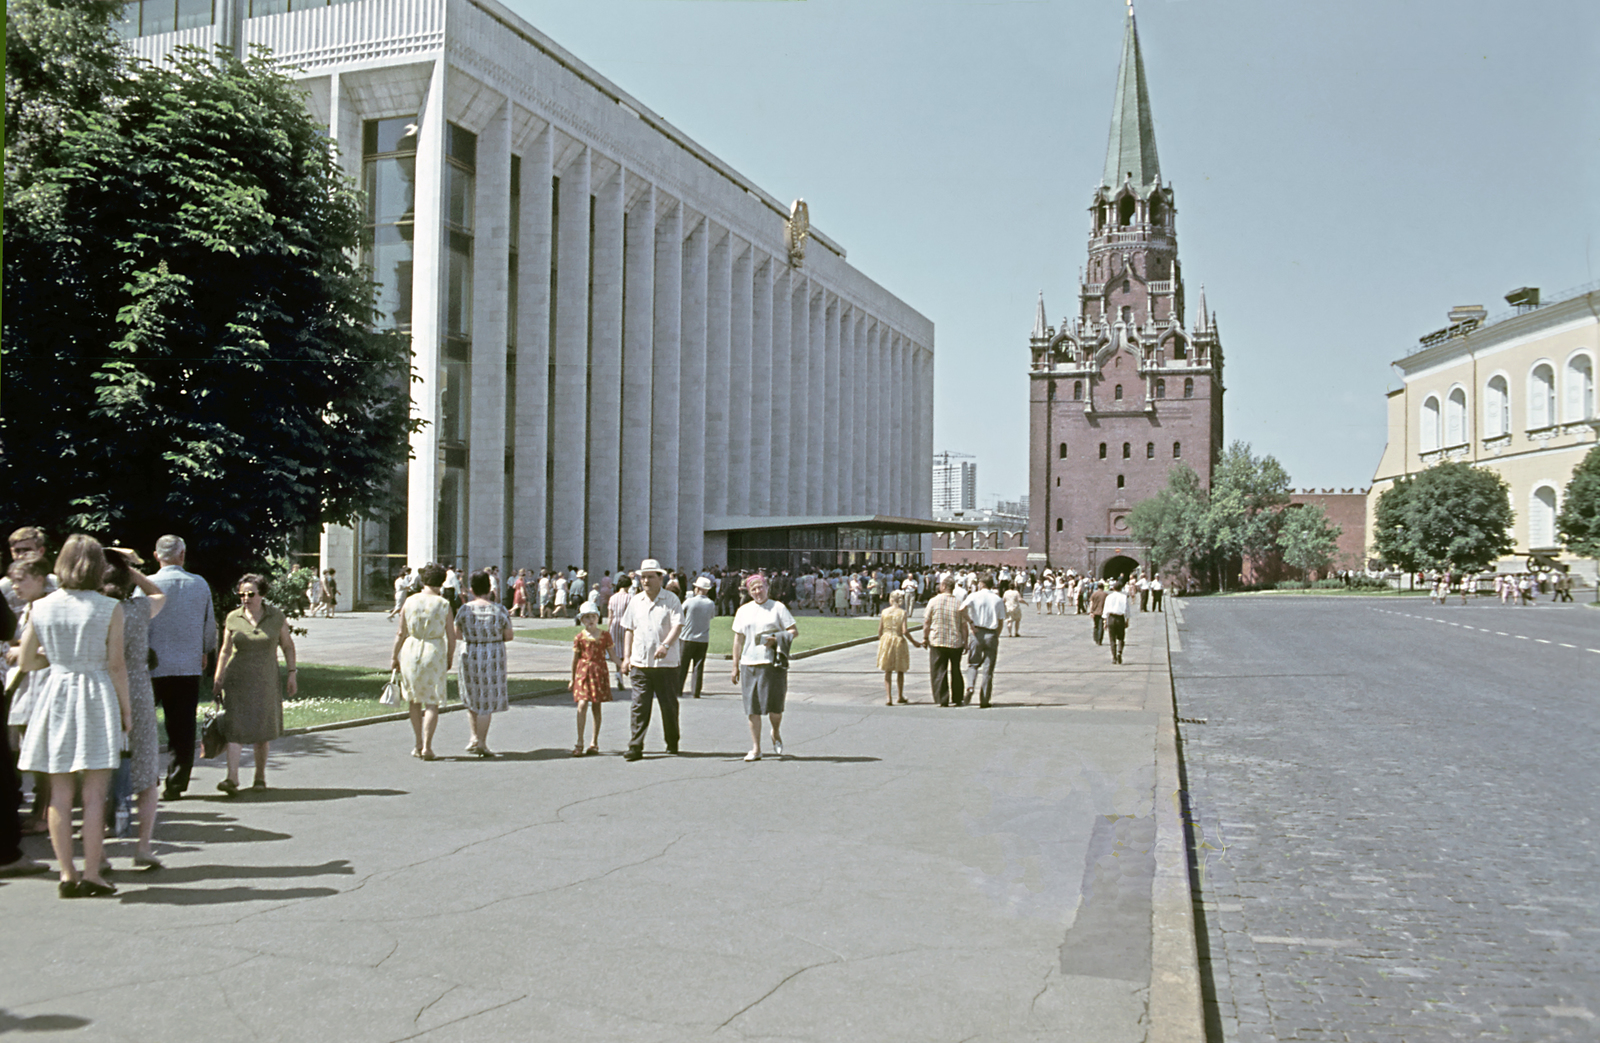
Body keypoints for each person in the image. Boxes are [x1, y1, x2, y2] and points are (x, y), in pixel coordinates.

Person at [16, 534, 132, 897]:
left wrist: (56, 660)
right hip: (96, 693)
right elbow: (116, 666)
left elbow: (26, 660)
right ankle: (93, 873)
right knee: (95, 795)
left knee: (59, 793)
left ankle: (66, 875)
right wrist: (127, 711)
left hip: (57, 693)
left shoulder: (42, 606)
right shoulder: (108, 607)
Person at [100, 549, 168, 867]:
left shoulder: (96, 611)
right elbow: (158, 593)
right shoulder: (138, 609)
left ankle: (97, 851)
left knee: (98, 772)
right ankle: (143, 847)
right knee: (146, 770)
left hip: (100, 690)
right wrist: (129, 568)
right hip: (138, 690)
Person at [146, 535, 217, 800]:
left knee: (144, 723)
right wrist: (204, 649)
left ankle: (145, 777)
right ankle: (176, 783)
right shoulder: (199, 585)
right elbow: (209, 625)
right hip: (187, 665)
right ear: (183, 554)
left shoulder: (146, 585)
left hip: (151, 665)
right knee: (182, 727)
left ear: (156, 556)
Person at [213, 574, 296, 793]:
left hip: (265, 679)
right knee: (234, 727)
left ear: (262, 594)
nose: (245, 598)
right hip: (237, 679)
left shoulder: (276, 616)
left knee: (262, 728)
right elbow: (225, 650)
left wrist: (292, 673)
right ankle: (232, 778)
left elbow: (287, 645)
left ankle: (259, 776)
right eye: (241, 594)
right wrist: (218, 677)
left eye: (250, 594)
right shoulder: (233, 618)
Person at [4, 558, 54, 873]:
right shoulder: (28, 607)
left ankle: (45, 811)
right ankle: (39, 810)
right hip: (24, 688)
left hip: (41, 685)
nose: (16, 588)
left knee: (44, 756)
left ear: (38, 578)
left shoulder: (47, 606)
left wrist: (22, 651)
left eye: (21, 581)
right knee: (26, 751)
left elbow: (54, 646)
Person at [619, 559, 683, 761]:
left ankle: (672, 741)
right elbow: (629, 629)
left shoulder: (671, 599)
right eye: (642, 577)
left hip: (666, 665)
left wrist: (665, 645)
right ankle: (635, 746)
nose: (645, 581)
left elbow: (677, 626)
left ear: (660, 578)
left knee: (669, 706)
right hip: (640, 663)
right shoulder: (635, 600)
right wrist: (626, 657)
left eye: (650, 577)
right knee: (639, 705)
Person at [391, 563, 455, 760]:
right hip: (434, 650)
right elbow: (451, 636)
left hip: (411, 649)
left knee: (414, 699)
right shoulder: (443, 604)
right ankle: (428, 746)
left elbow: (401, 632)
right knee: (432, 701)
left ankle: (418, 743)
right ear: (441, 581)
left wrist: (394, 656)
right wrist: (449, 657)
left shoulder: (410, 601)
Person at [730, 573, 797, 760]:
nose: (758, 591)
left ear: (767, 587)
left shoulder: (778, 607)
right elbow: (738, 639)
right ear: (749, 592)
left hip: (772, 664)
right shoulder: (743, 610)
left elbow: (793, 631)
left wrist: (777, 639)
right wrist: (735, 665)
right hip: (749, 662)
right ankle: (756, 748)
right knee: (752, 708)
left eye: (761, 587)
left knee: (775, 708)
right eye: (753, 589)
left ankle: (775, 731)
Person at [454, 569, 512, 757]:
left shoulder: (465, 609)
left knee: (472, 696)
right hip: (492, 653)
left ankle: (473, 737)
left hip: (470, 650)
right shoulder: (499, 609)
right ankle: (481, 742)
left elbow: (456, 633)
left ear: (471, 589)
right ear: (489, 588)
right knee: (486, 700)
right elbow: (509, 635)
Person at [570, 602, 611, 755]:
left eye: (593, 616)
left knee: (596, 706)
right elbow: (575, 659)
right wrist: (572, 678)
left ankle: (594, 742)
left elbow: (613, 655)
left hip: (599, 672)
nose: (590, 620)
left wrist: (624, 665)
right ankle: (579, 742)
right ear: (582, 620)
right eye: (587, 617)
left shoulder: (605, 635)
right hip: (583, 673)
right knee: (582, 705)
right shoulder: (579, 637)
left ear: (598, 618)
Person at [921, 577, 967, 708]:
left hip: (938, 640)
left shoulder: (933, 601)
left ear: (943, 586)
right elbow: (964, 625)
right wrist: (966, 641)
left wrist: (925, 637)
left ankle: (942, 698)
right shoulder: (959, 603)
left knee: (939, 670)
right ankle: (958, 698)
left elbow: (927, 622)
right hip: (955, 640)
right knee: (956, 670)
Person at [961, 574, 1004, 709]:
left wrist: (971, 623)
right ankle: (984, 700)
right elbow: (1001, 621)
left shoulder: (974, 595)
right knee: (988, 669)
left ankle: (970, 686)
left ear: (981, 584)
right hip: (991, 633)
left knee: (973, 663)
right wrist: (996, 634)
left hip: (977, 632)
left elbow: (961, 609)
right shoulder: (997, 599)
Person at [875, 589, 919, 705]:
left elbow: (880, 629)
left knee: (887, 670)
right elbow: (904, 630)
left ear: (891, 600)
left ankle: (888, 697)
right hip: (898, 639)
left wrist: (882, 639)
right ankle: (900, 695)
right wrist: (914, 642)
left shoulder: (884, 612)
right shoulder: (902, 613)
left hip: (886, 638)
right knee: (900, 669)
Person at [679, 576, 716, 699]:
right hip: (703, 638)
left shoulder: (689, 601)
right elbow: (711, 617)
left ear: (698, 589)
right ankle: (696, 691)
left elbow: (681, 613)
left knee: (682, 665)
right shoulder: (710, 604)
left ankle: (678, 689)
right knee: (698, 666)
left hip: (687, 637)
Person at [606, 574, 633, 691]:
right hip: (626, 624)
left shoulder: (613, 598)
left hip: (615, 624)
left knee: (616, 650)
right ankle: (625, 670)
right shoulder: (630, 597)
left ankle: (619, 673)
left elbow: (610, 615)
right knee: (626, 648)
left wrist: (608, 628)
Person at [1103, 580, 1131, 665]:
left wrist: (1105, 621)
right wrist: (1127, 620)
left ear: (1113, 588)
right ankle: (1119, 652)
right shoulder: (1124, 597)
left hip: (1111, 617)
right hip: (1120, 618)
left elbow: (1106, 609)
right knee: (1121, 637)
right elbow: (1127, 610)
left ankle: (1114, 657)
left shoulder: (1109, 597)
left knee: (1112, 638)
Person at [1088, 580, 1108, 646]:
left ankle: (1095, 638)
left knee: (1096, 625)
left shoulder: (1094, 594)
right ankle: (1099, 640)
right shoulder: (1105, 595)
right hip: (1102, 612)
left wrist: (1091, 611)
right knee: (1101, 626)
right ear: (1103, 587)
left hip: (1095, 612)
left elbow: (1091, 603)